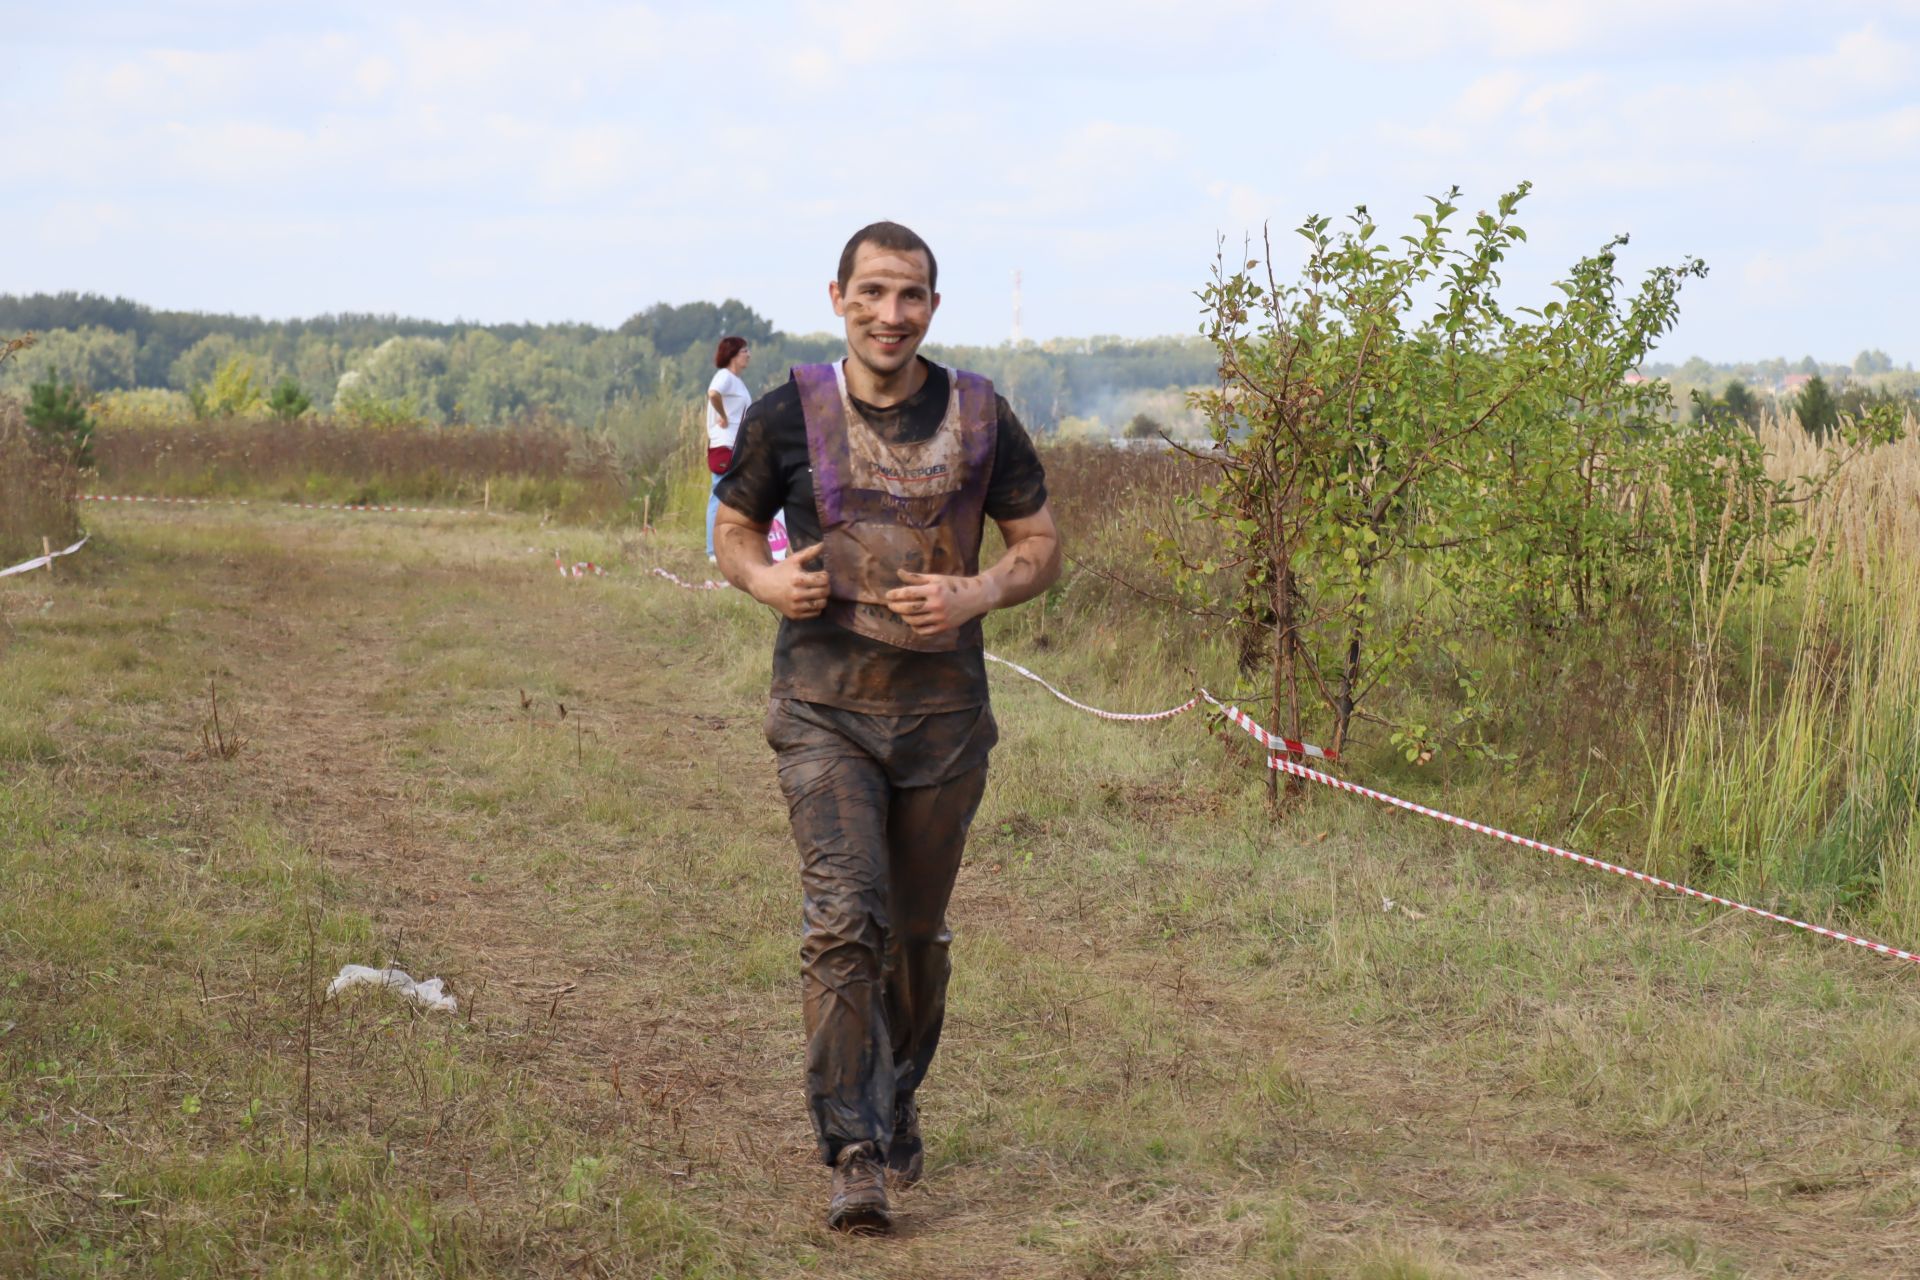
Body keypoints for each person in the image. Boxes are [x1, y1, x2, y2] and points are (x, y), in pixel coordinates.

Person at [713, 221, 1060, 1233]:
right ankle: (854, 1146)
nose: (890, 314)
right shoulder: (786, 415)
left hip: (945, 723)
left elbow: (1039, 541)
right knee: (844, 920)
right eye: (871, 293)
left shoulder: (983, 415)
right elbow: (734, 526)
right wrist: (765, 577)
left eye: (909, 296)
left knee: (913, 937)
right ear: (838, 298)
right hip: (823, 711)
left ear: (933, 309)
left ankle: (897, 1088)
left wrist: (978, 590)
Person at [706, 336, 753, 560]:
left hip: (736, 445)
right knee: (718, 495)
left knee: (735, 496)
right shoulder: (724, 376)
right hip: (724, 443)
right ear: (734, 354)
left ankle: (733, 544)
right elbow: (713, 393)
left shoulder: (738, 382)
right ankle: (713, 551)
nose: (748, 354)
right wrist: (722, 416)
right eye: (745, 350)